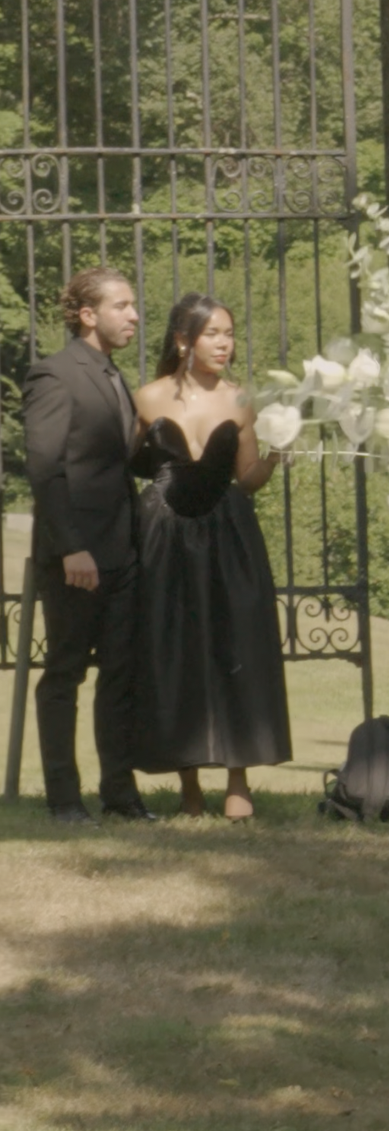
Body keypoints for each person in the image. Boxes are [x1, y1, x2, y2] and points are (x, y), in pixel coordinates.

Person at [129, 293, 288, 820]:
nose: (226, 343)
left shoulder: (242, 400)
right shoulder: (145, 397)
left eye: (230, 333)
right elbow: (125, 463)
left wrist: (277, 454)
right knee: (172, 645)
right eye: (214, 334)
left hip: (229, 534)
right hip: (163, 534)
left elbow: (248, 480)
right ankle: (188, 785)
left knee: (235, 641)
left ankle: (238, 781)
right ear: (183, 340)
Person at [23, 268, 150, 825]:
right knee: (65, 674)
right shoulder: (54, 375)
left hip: (123, 551)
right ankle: (64, 801)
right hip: (76, 556)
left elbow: (118, 463)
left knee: (120, 676)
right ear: (88, 315)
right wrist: (73, 548)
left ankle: (120, 797)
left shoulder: (113, 375)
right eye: (122, 306)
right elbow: (46, 471)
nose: (134, 316)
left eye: (133, 305)